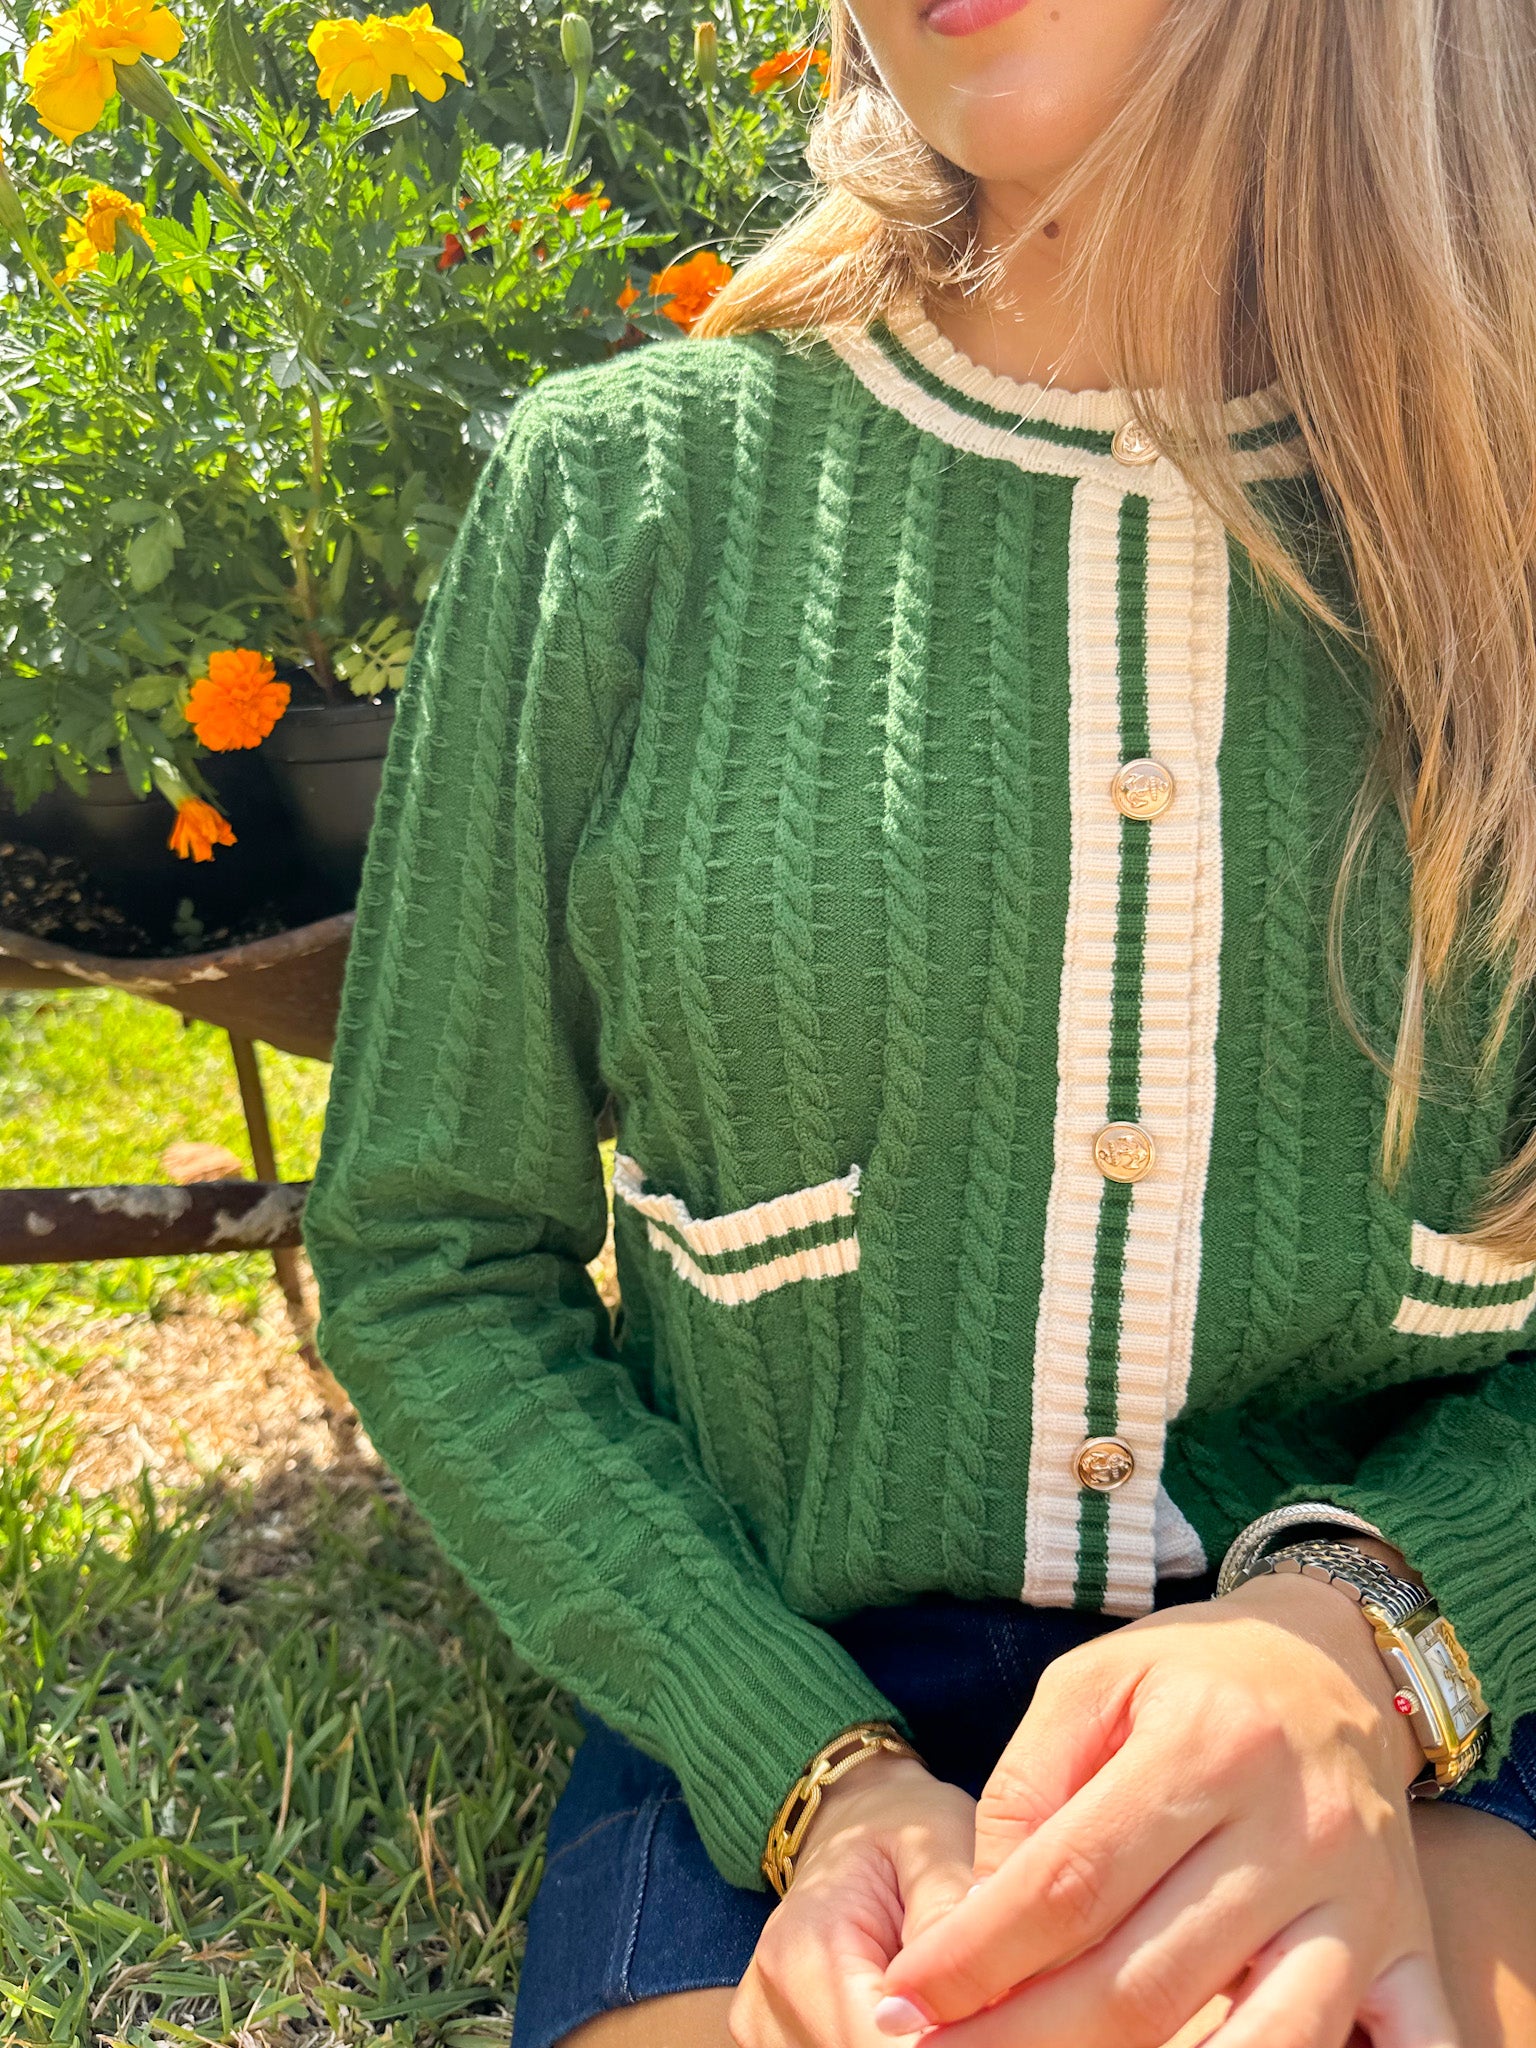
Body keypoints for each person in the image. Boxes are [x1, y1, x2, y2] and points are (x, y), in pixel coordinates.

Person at [300, 1, 1536, 2043]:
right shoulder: (624, 497)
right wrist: (811, 1763)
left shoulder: (1506, 514)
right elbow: (430, 1254)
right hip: (784, 1705)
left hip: (1433, 1682)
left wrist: (1355, 1636)